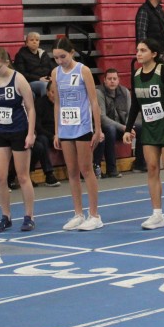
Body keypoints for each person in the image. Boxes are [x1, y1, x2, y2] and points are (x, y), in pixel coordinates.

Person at [124, 38, 164, 229]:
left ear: (153, 54)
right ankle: (157, 214)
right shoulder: (136, 75)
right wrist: (128, 128)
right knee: (152, 168)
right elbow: (135, 104)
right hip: (149, 129)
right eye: (137, 50)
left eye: (143, 50)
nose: (138, 53)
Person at [0, 47, 37, 233]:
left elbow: (30, 108)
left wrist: (30, 134)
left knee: (22, 176)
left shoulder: (19, 79)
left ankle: (29, 216)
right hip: (0, 131)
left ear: (6, 62)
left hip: (19, 131)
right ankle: (6, 216)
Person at [52, 37, 104, 230]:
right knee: (72, 172)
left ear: (72, 53)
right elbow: (57, 103)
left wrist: (97, 129)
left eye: (63, 56)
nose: (60, 61)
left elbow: (94, 101)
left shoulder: (83, 70)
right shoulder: (55, 73)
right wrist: (56, 131)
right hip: (65, 127)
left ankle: (94, 215)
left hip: (82, 126)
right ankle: (78, 214)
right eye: (56, 58)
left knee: (86, 169)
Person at [94, 68, 136, 178]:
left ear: (118, 80)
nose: (112, 81)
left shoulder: (125, 91)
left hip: (123, 127)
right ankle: (111, 169)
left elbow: (130, 113)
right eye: (109, 79)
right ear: (104, 80)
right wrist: (123, 127)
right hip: (106, 128)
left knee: (141, 128)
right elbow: (102, 117)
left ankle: (140, 163)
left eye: (114, 79)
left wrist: (129, 128)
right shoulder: (99, 92)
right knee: (110, 129)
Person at [28, 81, 60, 188]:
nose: (55, 95)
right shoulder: (40, 104)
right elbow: (37, 126)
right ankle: (49, 174)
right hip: (45, 134)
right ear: (47, 92)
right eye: (52, 92)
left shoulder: (62, 103)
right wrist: (52, 136)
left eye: (57, 93)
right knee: (42, 140)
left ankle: (79, 170)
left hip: (59, 133)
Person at [14, 32, 56, 100]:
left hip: (46, 79)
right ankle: (44, 105)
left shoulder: (43, 54)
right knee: (44, 85)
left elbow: (52, 67)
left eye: (37, 40)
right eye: (31, 40)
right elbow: (21, 73)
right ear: (26, 43)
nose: (34, 42)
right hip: (29, 82)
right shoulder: (20, 55)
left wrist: (52, 77)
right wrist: (39, 78)